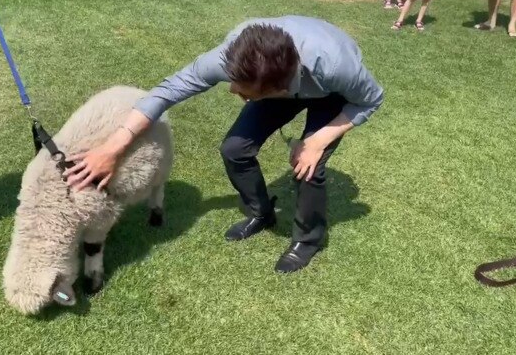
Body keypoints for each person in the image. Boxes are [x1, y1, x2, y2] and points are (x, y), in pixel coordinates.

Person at [63, 15, 384, 273]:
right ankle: (262, 213)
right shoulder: (230, 58)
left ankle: (308, 241)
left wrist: (319, 140)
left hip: (331, 93)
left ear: (276, 89)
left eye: (243, 91)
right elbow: (165, 92)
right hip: (281, 80)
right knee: (234, 149)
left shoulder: (336, 65)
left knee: (308, 168)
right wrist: (112, 148)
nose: (232, 91)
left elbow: (370, 101)